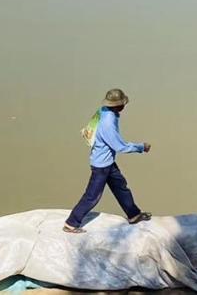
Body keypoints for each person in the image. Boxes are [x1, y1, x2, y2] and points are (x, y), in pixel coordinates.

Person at [64, 88, 152, 233]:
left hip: (108, 161)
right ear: (118, 105)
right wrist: (141, 147)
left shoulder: (103, 111)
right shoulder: (108, 123)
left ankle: (133, 215)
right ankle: (71, 223)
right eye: (123, 103)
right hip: (101, 166)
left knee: (121, 187)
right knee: (92, 196)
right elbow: (119, 146)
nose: (124, 106)